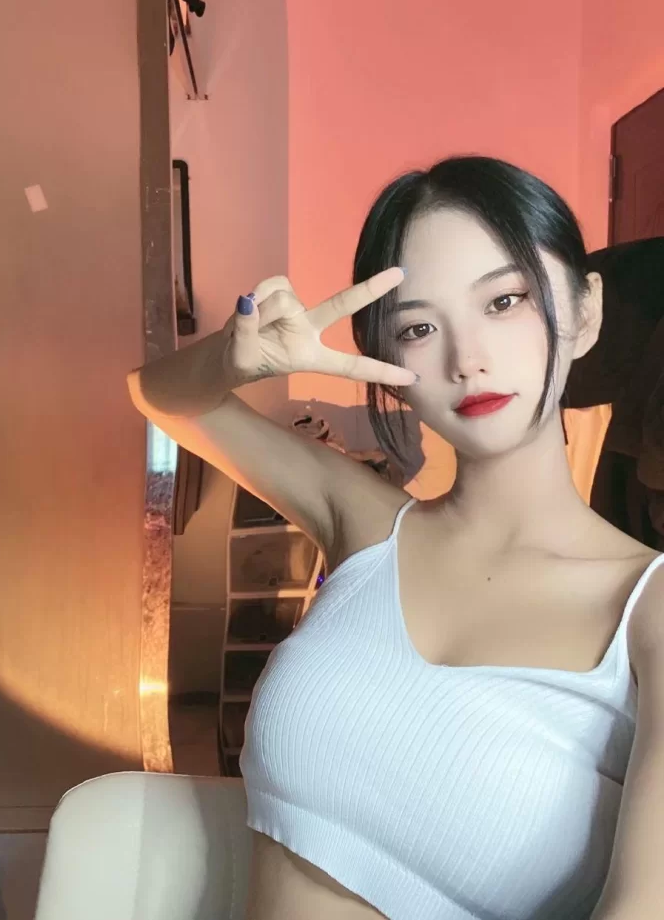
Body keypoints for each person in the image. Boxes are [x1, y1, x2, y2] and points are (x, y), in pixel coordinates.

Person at [128, 156, 664, 920]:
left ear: (585, 311)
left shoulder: (648, 611)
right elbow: (160, 396)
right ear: (386, 357)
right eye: (418, 326)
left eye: (504, 300)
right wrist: (234, 357)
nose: (466, 358)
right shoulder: (366, 523)